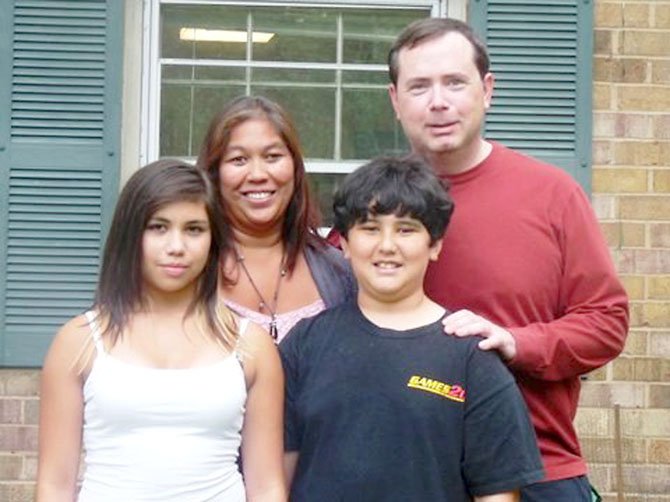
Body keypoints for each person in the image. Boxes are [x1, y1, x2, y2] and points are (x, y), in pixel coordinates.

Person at [387, 17, 629, 501]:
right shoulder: (376, 208)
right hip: (407, 469)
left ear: (487, 90)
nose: (438, 102)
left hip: (535, 468)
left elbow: (606, 322)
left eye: (455, 82)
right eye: (419, 86)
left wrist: (518, 343)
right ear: (395, 100)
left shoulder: (551, 195)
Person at [281, 155, 544, 501]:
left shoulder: (471, 358)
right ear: (344, 243)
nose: (387, 245)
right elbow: (278, 474)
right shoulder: (305, 345)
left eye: (406, 229)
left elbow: (497, 492)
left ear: (434, 245)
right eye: (370, 228)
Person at [36, 159, 286, 501]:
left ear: (214, 239)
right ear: (130, 233)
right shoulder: (78, 341)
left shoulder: (252, 346)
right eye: (158, 227)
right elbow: (54, 485)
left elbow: (267, 486)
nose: (176, 246)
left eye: (194, 229)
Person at [197, 96, 355, 343]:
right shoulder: (187, 269)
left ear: (295, 167)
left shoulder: (341, 273)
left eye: (272, 157)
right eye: (238, 159)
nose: (258, 174)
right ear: (214, 173)